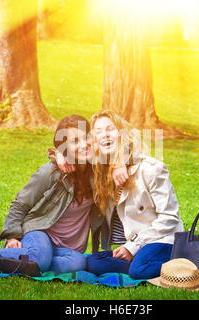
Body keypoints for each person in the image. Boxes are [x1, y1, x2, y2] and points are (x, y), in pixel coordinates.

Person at [0, 115, 110, 274]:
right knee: (40, 260)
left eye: (86, 136)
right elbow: (20, 204)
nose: (84, 144)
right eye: (75, 141)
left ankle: (17, 258)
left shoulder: (98, 171)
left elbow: (124, 155)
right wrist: (12, 235)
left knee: (77, 263)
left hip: (67, 249)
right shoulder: (51, 172)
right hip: (39, 233)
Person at [54, 110, 185, 280]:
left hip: (161, 239)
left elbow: (169, 218)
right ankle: (140, 262)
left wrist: (132, 247)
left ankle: (185, 262)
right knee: (93, 262)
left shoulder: (151, 169)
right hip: (136, 245)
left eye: (110, 129)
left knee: (139, 271)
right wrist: (59, 154)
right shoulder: (100, 171)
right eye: (98, 131)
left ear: (121, 133)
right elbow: (73, 150)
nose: (104, 135)